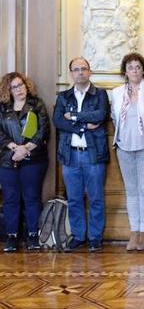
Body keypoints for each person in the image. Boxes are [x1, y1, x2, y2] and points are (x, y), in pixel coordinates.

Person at [53, 57, 109, 252]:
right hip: (70, 154)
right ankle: (78, 236)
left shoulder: (100, 94)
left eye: (83, 69)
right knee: (74, 198)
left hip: (93, 154)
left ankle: (95, 237)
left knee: (95, 198)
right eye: (76, 70)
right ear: (71, 74)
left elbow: (100, 115)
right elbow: (59, 121)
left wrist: (75, 117)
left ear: (90, 72)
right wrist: (83, 127)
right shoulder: (63, 96)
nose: (80, 73)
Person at [111, 53, 144, 252]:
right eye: (131, 67)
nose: (135, 71)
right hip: (124, 147)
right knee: (131, 191)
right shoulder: (116, 92)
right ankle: (134, 232)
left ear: (143, 70)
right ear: (125, 71)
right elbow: (115, 119)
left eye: (138, 67)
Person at [0, 73, 50, 252]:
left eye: (21, 85)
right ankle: (11, 236)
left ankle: (33, 235)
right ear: (8, 90)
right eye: (14, 87)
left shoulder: (36, 104)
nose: (19, 89)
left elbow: (43, 131)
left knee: (32, 198)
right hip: (8, 160)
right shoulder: (2, 108)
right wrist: (15, 148)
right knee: (11, 199)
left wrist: (25, 149)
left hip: (34, 159)